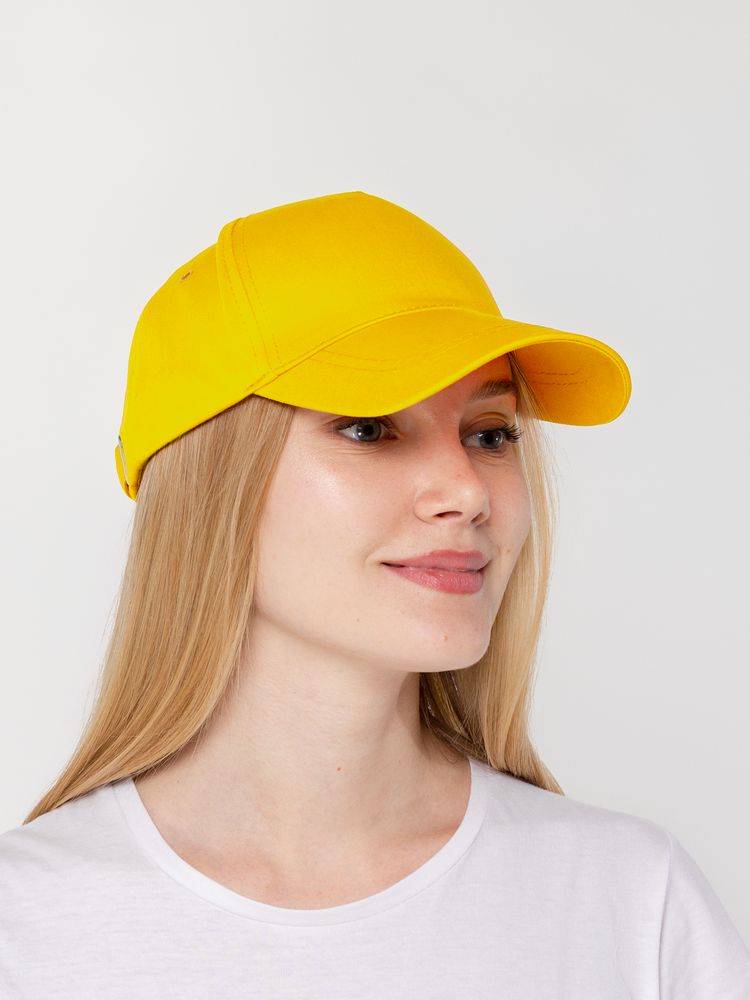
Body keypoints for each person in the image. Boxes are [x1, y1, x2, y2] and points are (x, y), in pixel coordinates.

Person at [1, 190, 748, 998]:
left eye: (490, 434)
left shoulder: (633, 906)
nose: (467, 491)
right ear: (209, 482)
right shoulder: (27, 930)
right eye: (368, 427)